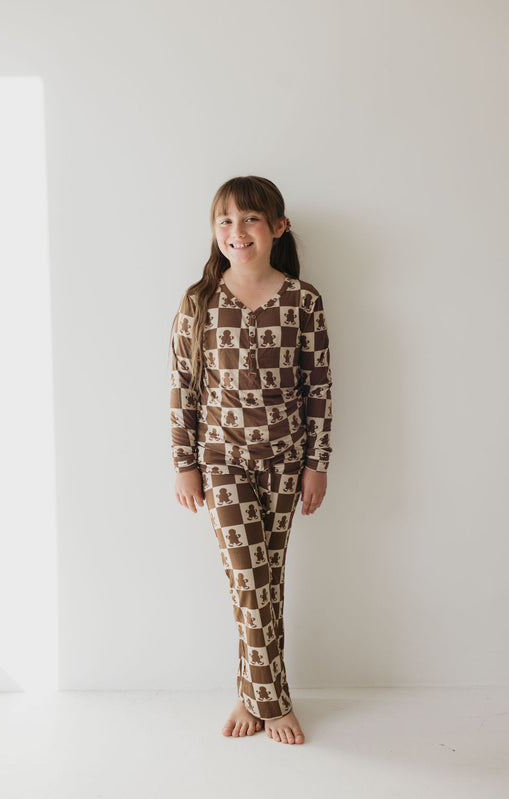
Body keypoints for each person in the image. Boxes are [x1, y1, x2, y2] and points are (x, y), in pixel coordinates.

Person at [168, 175, 332, 745]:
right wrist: (183, 461)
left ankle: (249, 690)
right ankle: (275, 700)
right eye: (226, 222)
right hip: (221, 459)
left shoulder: (304, 299)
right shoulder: (200, 301)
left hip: (287, 462)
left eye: (251, 220)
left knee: (266, 581)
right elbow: (183, 386)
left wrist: (318, 463)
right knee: (248, 573)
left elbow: (319, 389)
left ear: (278, 228)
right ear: (215, 232)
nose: (237, 232)